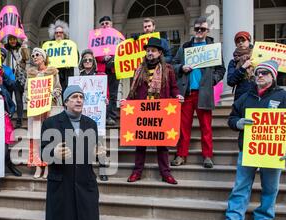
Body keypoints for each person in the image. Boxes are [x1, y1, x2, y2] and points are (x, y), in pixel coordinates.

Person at [214, 60, 286, 220]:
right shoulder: (245, 97)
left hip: (273, 151)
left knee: (270, 187)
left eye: (264, 73)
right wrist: (238, 123)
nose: (260, 75)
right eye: (258, 73)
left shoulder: (284, 97)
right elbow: (231, 119)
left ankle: (262, 219)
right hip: (248, 149)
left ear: (273, 76)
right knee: (241, 185)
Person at [41, 85, 105, 220]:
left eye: (81, 97)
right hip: (61, 183)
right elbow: (43, 153)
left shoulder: (90, 124)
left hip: (85, 182)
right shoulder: (51, 123)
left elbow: (95, 152)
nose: (78, 100)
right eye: (74, 97)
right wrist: (54, 155)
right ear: (66, 101)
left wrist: (99, 154)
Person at [127, 38, 184, 185]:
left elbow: (174, 87)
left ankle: (166, 173)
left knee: (162, 144)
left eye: (153, 51)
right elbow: (133, 91)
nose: (149, 53)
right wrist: (126, 102)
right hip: (143, 111)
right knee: (140, 142)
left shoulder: (168, 69)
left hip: (160, 111)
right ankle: (137, 171)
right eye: (148, 50)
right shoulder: (139, 69)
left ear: (160, 53)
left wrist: (177, 95)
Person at [171, 16, 226, 169]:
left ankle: (207, 156)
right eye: (197, 29)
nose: (199, 31)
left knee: (206, 127)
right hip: (187, 93)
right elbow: (173, 65)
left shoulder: (213, 47)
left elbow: (221, 69)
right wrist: (181, 68)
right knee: (183, 127)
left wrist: (212, 80)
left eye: (203, 29)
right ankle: (181, 155)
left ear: (207, 30)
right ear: (193, 30)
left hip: (204, 93)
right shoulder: (185, 47)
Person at [26, 48, 62, 179]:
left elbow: (58, 87)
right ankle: (37, 165)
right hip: (35, 110)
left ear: (44, 57)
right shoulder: (31, 74)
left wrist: (54, 93)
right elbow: (26, 90)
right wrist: (27, 97)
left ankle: (47, 166)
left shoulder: (52, 72)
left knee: (49, 135)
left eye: (37, 54)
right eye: (33, 55)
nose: (35, 57)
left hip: (48, 108)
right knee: (35, 137)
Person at [78, 49, 110, 182]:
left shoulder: (100, 76)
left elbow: (106, 93)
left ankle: (102, 170)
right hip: (82, 113)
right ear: (82, 62)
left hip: (96, 113)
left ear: (94, 62)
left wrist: (106, 99)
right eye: (85, 59)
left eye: (90, 59)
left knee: (99, 142)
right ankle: (86, 170)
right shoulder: (78, 78)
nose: (87, 62)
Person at [96, 16, 119, 126]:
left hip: (114, 69)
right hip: (102, 70)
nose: (105, 25)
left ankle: (111, 116)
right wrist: (103, 58)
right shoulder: (96, 39)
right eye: (102, 23)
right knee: (103, 94)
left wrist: (113, 58)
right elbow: (94, 53)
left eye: (107, 23)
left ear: (111, 24)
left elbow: (121, 51)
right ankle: (103, 116)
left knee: (113, 94)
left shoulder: (117, 37)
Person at [4, 35, 30, 128]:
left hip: (18, 77)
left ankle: (19, 119)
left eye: (14, 39)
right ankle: (8, 119)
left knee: (19, 100)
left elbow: (26, 57)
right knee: (8, 99)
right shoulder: (5, 49)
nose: (12, 41)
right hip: (7, 77)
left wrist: (24, 46)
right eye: (10, 39)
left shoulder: (20, 48)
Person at [227, 31, 255, 102]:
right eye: (238, 41)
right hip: (241, 97)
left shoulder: (256, 57)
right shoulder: (233, 62)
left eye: (243, 40)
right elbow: (230, 81)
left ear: (249, 41)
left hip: (257, 95)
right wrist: (243, 68)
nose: (241, 43)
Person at [48, 20, 74, 93]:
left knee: (66, 94)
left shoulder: (70, 45)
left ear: (64, 34)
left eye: (60, 32)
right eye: (56, 32)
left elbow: (75, 57)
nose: (58, 34)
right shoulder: (49, 46)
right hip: (53, 74)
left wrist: (70, 63)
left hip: (66, 74)